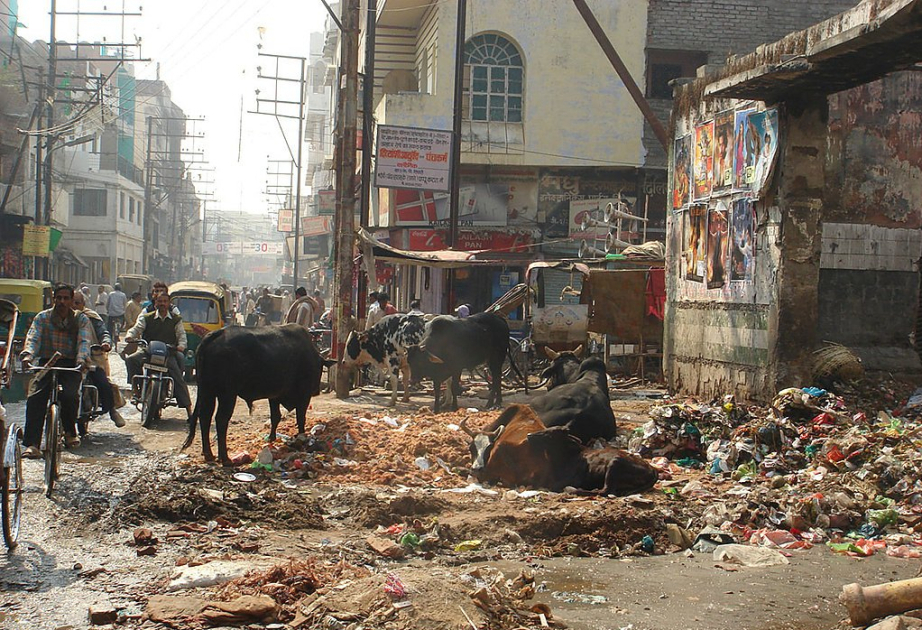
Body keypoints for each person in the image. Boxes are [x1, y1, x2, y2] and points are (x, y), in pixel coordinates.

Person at [19, 283, 92, 457]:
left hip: (71, 363)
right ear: (53, 299)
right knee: (35, 397)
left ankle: (70, 432)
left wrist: (82, 359)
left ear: (71, 300)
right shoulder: (42, 317)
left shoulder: (80, 319)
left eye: (66, 298)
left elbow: (84, 342)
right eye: (59, 298)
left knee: (70, 396)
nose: (62, 302)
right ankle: (32, 444)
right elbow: (33, 338)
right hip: (47, 363)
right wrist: (28, 355)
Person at [124, 292, 193, 419]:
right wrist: (130, 336)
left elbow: (181, 335)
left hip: (168, 354)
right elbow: (137, 328)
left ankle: (189, 410)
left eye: (165, 301)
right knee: (131, 360)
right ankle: (136, 388)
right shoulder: (147, 317)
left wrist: (181, 345)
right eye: (160, 301)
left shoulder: (176, 319)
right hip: (148, 352)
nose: (162, 304)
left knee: (178, 378)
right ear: (155, 303)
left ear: (169, 303)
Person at [73, 291, 125, 429]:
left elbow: (103, 332)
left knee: (103, 382)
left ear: (83, 304)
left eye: (77, 303)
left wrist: (105, 342)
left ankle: (112, 410)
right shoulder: (59, 318)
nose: (73, 306)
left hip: (91, 357)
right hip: (68, 359)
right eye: (71, 302)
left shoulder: (91, 317)